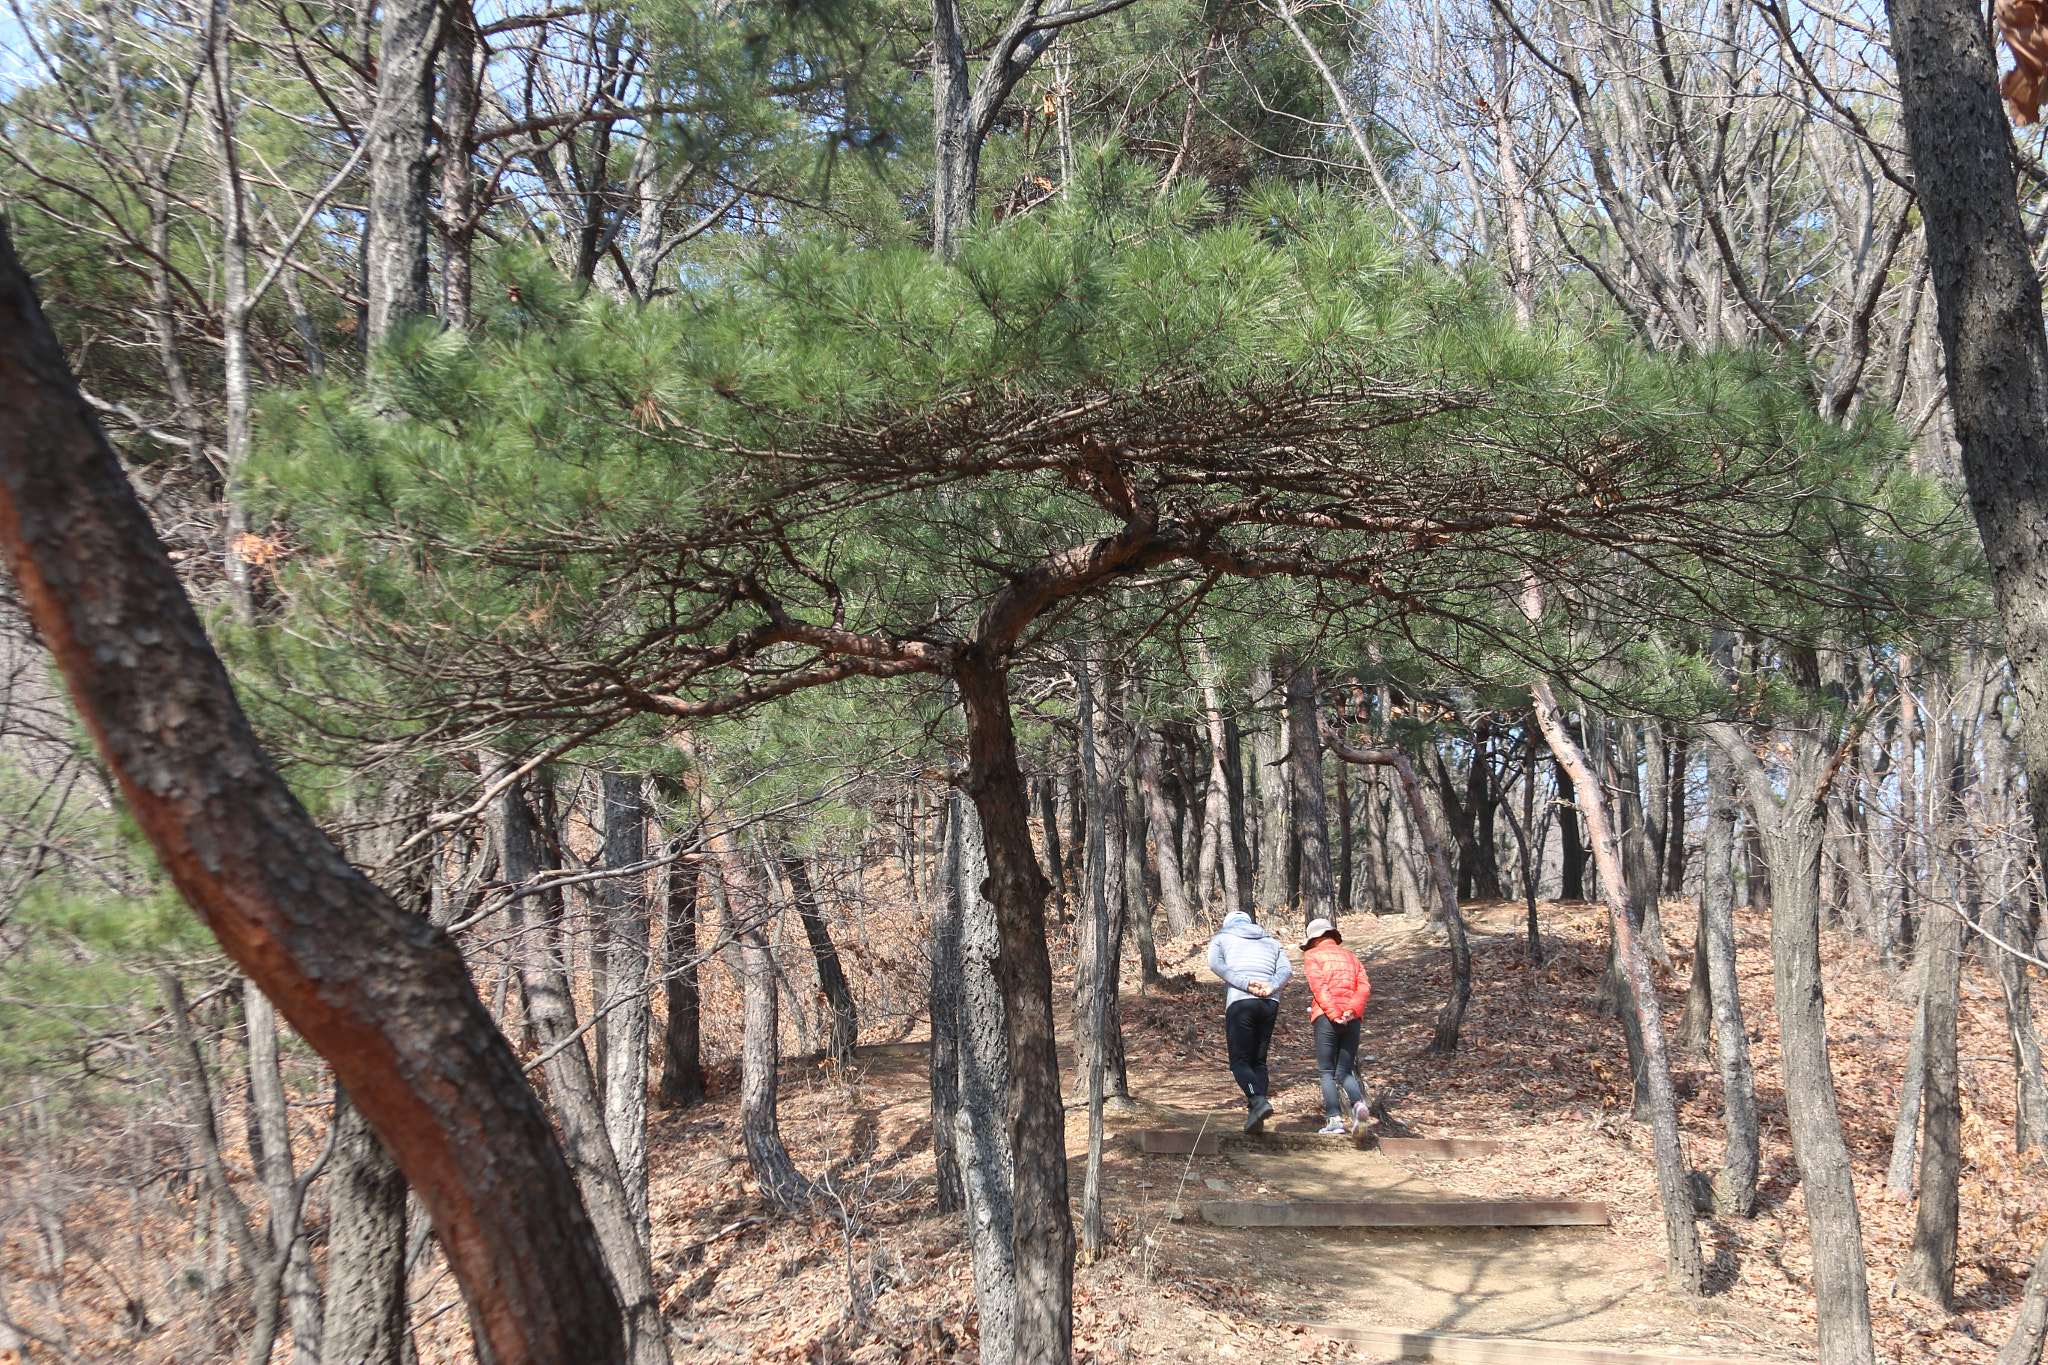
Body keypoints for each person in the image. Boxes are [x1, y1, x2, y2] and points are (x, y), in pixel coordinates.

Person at [1207, 910, 1293, 1132]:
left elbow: (1216, 965)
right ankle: (1256, 1114)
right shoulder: (1272, 942)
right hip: (1269, 1003)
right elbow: (1286, 970)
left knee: (1240, 1060)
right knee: (1259, 1061)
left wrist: (1245, 983)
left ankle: (1257, 1101)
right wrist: (1271, 986)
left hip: (1241, 1001)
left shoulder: (1221, 938)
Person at [1300, 917, 1372, 1137]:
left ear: (1315, 939)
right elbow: (1364, 987)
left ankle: (1334, 1121)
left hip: (1326, 1017)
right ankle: (1358, 1104)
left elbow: (1319, 988)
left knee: (1327, 1072)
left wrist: (1334, 1014)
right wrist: (1351, 1011)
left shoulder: (1312, 956)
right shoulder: (1352, 957)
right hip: (1352, 1020)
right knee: (1344, 1071)